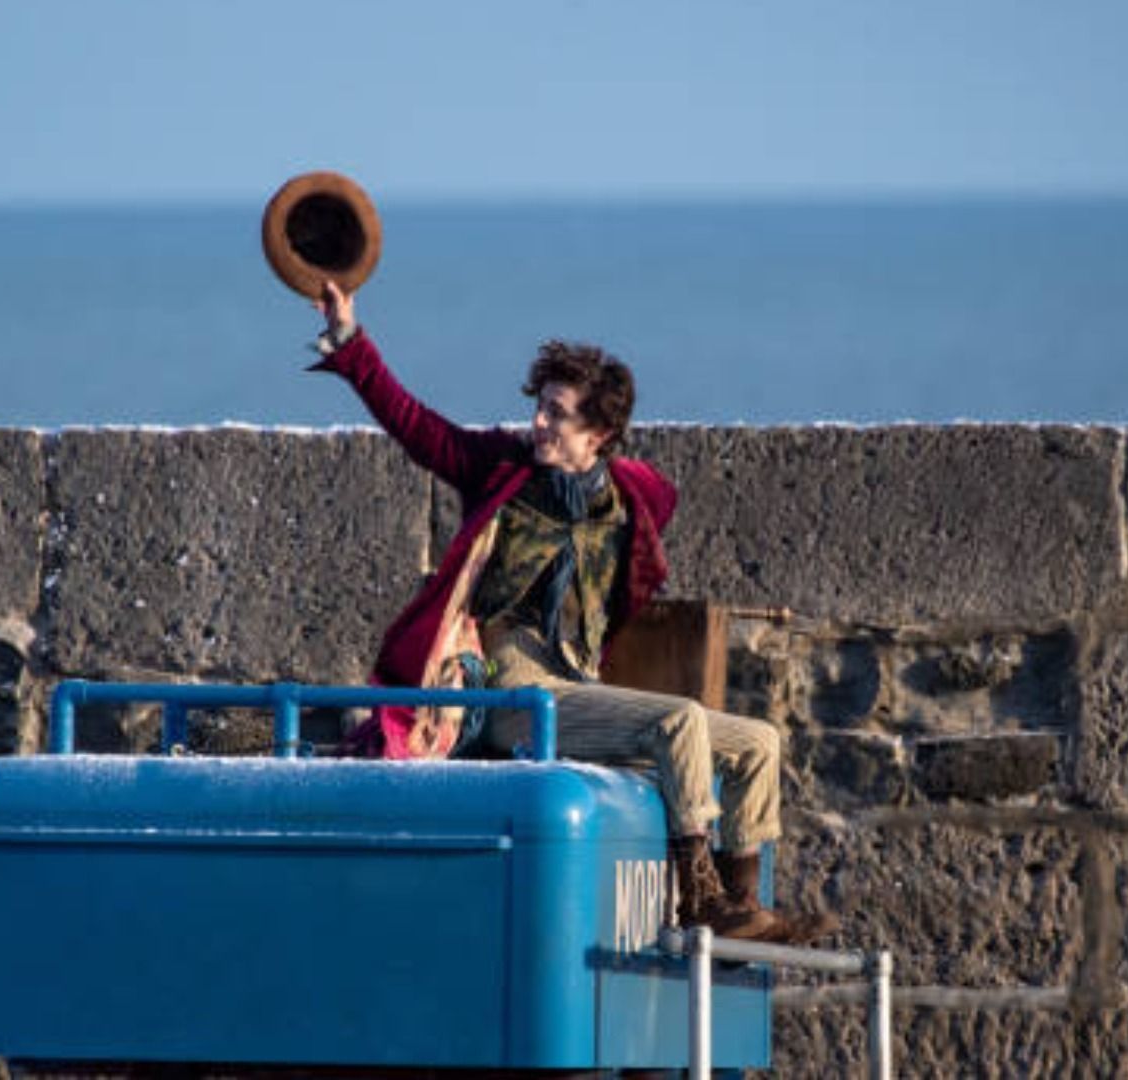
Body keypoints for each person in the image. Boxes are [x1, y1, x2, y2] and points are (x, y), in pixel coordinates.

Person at [310, 281, 835, 945]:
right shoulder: (502, 469)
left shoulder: (630, 500)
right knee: (678, 722)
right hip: (512, 699)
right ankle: (696, 895)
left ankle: (741, 906)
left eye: (557, 415)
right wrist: (350, 341)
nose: (537, 424)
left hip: (575, 689)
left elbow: (655, 502)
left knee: (761, 742)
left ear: (599, 434)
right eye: (539, 408)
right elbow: (416, 426)